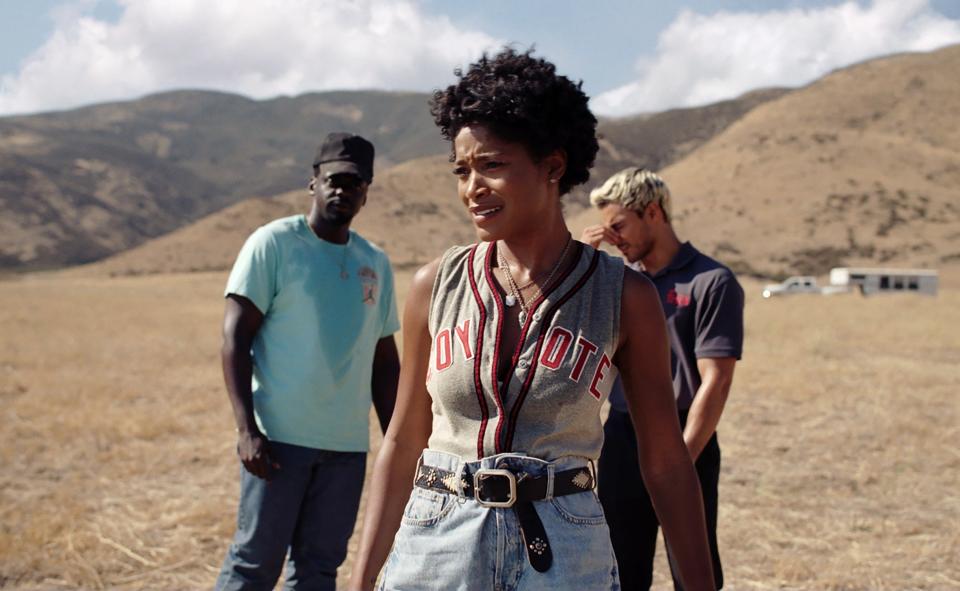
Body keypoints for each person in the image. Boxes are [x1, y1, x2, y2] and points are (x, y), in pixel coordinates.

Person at [348, 49, 716, 591]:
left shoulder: (624, 297)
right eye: (461, 169)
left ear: (552, 165)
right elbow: (403, 442)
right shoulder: (435, 286)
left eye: (491, 165)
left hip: (564, 547)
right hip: (437, 541)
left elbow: (664, 458)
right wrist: (360, 580)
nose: (471, 187)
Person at [214, 132, 401, 591]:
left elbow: (384, 364)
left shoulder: (374, 262)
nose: (343, 190)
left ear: (367, 190)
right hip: (278, 442)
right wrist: (246, 431)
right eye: (334, 179)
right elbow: (234, 339)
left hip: (345, 448)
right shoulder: (273, 243)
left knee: (319, 570)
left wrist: (398, 443)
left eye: (355, 183)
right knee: (254, 564)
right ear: (312, 183)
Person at [582, 168, 744, 590]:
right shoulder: (618, 285)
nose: (613, 238)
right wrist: (582, 268)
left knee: (692, 572)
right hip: (621, 437)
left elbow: (717, 381)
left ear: (652, 213)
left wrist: (680, 461)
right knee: (618, 569)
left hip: (684, 434)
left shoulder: (712, 281)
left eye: (619, 225)